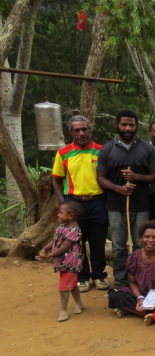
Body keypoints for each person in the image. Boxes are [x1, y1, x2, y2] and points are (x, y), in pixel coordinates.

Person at [96, 109, 155, 288]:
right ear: (117, 125)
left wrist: (136, 177)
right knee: (118, 246)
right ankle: (122, 282)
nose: (127, 128)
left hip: (141, 205)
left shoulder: (147, 148)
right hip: (116, 206)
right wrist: (119, 188)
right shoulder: (107, 149)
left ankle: (141, 280)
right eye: (124, 124)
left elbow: (154, 177)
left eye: (131, 125)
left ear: (136, 126)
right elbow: (101, 178)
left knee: (141, 244)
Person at [51, 115, 109, 293]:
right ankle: (82, 277)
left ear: (90, 130)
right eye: (77, 130)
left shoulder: (102, 151)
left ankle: (99, 275)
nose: (82, 133)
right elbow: (57, 181)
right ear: (70, 132)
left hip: (98, 202)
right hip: (74, 204)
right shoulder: (63, 153)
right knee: (77, 242)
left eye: (85, 129)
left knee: (98, 241)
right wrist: (64, 205)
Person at [107, 221, 155, 322]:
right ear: (141, 238)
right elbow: (132, 282)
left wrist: (152, 299)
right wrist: (140, 298)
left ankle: (130, 309)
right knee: (114, 295)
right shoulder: (134, 256)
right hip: (139, 294)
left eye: (154, 237)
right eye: (147, 236)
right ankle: (152, 314)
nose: (150, 240)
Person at [38, 202, 85, 322]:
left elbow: (65, 247)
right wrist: (45, 248)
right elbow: (56, 241)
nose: (58, 215)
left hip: (71, 264)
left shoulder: (75, 231)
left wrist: (49, 256)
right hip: (63, 262)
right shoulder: (63, 227)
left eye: (61, 213)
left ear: (71, 216)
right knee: (72, 284)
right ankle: (79, 303)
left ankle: (63, 310)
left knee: (64, 286)